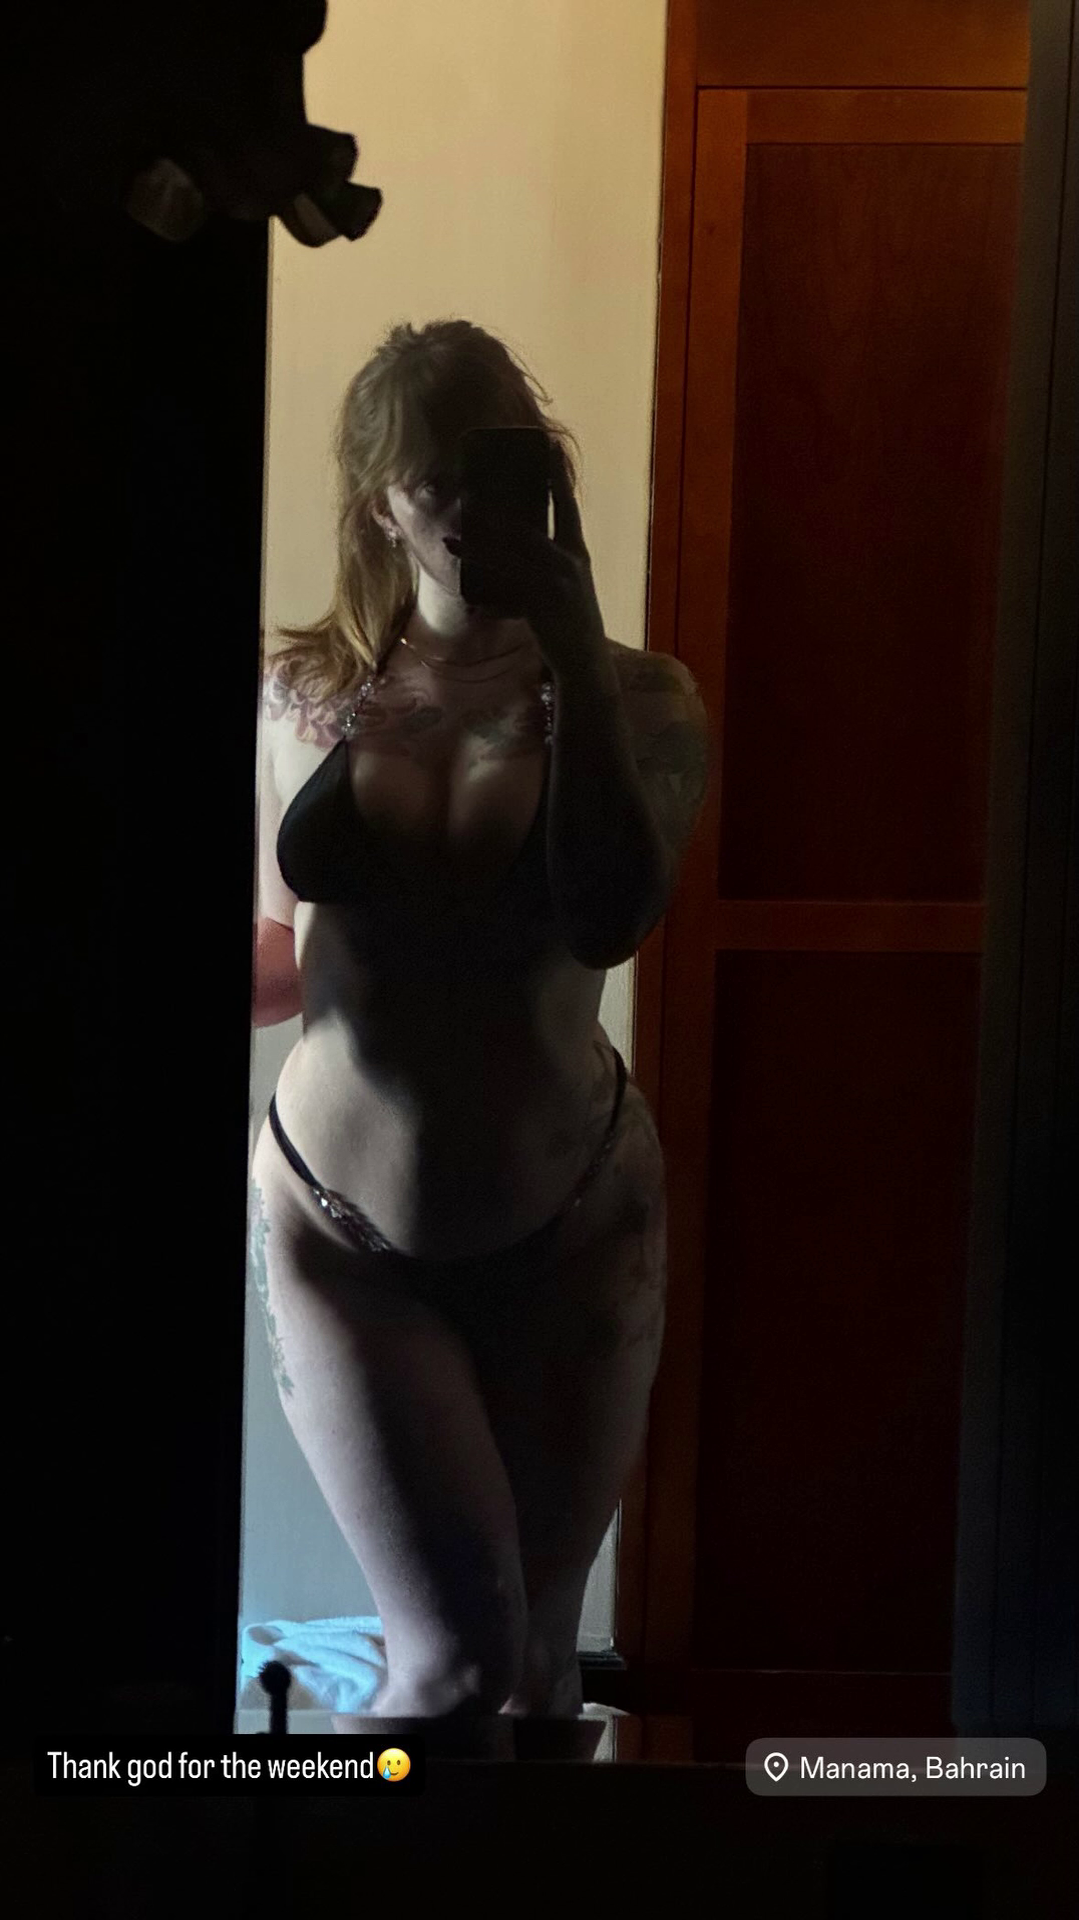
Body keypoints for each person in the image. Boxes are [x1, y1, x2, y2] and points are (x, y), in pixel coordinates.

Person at [249, 318, 710, 1739]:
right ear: (378, 503)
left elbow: (611, 916)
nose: (466, 507)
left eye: (498, 464)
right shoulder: (302, 693)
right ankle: (326, 1834)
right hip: (344, 1231)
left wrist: (570, 636)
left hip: (573, 1219)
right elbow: (279, 950)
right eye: (432, 473)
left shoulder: (644, 700)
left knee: (531, 1678)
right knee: (448, 1670)